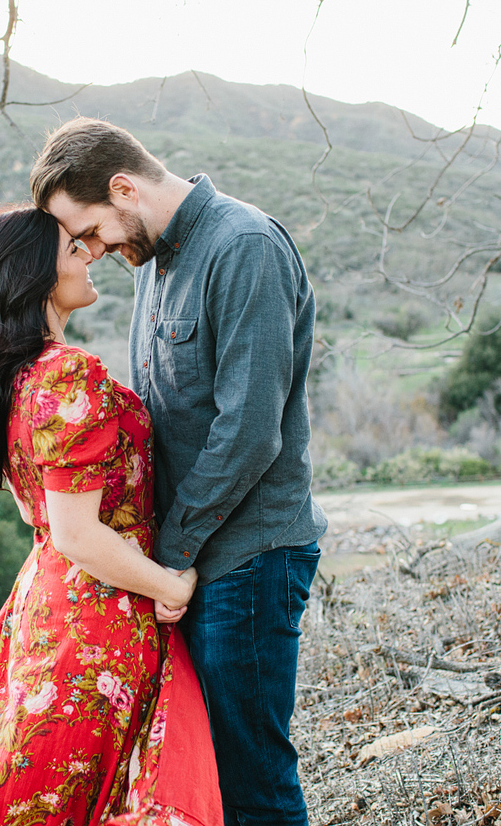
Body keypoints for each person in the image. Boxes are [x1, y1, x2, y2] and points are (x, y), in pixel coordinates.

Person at [0, 207, 221, 825]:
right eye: (72, 248)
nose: (89, 254)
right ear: (34, 275)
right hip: (98, 611)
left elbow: (46, 516)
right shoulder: (65, 373)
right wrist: (172, 584)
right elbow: (79, 534)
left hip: (48, 599)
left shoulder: (14, 377)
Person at [32, 118, 327, 826]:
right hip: (191, 564)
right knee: (210, 783)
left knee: (251, 778)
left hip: (247, 559)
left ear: (124, 187)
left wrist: (172, 556)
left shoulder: (244, 246)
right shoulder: (156, 264)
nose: (92, 254)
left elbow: (250, 431)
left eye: (90, 232)